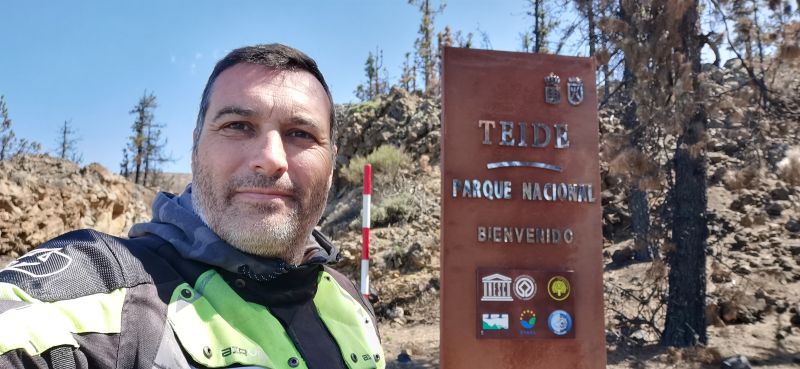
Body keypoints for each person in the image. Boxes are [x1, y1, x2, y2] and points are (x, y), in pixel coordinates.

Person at [0, 44, 385, 369]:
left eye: (300, 134)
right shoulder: (103, 294)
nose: (270, 159)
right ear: (196, 145)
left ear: (332, 164)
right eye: (238, 125)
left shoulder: (350, 303)